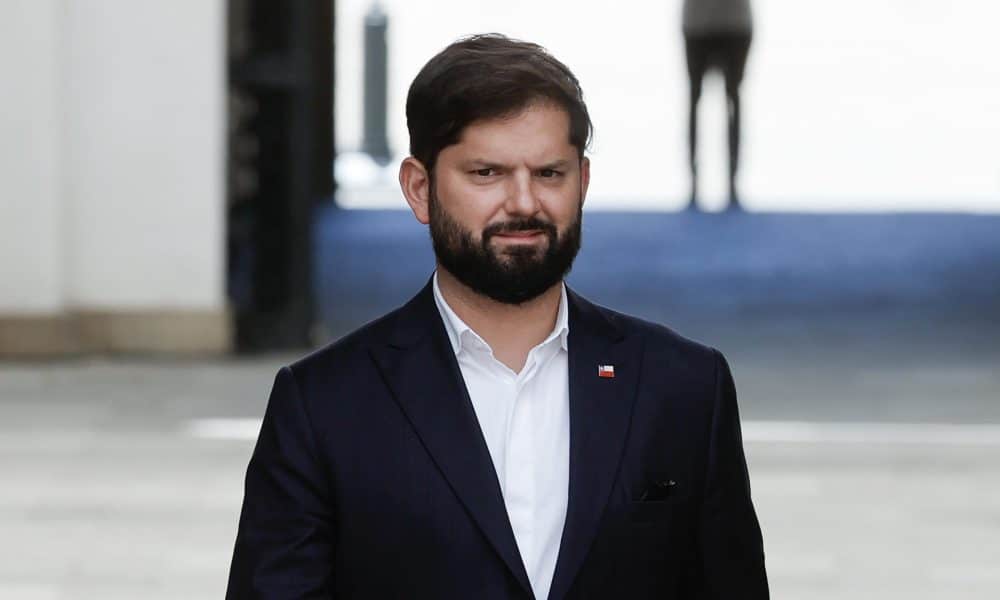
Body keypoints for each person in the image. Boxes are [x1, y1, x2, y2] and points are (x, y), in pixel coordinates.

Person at [226, 34, 768, 599]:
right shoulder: (322, 405)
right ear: (419, 188)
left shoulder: (682, 387)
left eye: (550, 174)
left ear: (582, 184)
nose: (524, 202)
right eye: (487, 173)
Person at [682, 0, 754, 210]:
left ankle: (732, 184)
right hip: (702, 21)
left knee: (729, 100)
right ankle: (695, 184)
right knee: (701, 100)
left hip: (731, 21)